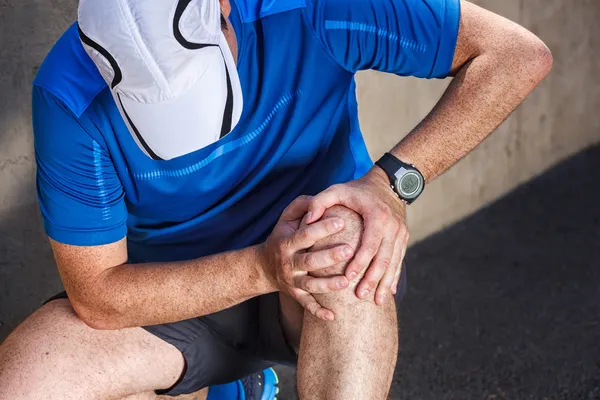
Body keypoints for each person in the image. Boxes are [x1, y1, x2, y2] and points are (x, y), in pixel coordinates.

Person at [0, 0, 552, 398]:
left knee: (348, 238)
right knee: (24, 384)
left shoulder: (308, 9)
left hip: (320, 271)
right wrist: (263, 267)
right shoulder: (70, 94)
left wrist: (389, 185)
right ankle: (224, 389)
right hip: (174, 297)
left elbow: (514, 54)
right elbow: (97, 296)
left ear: (223, 9)